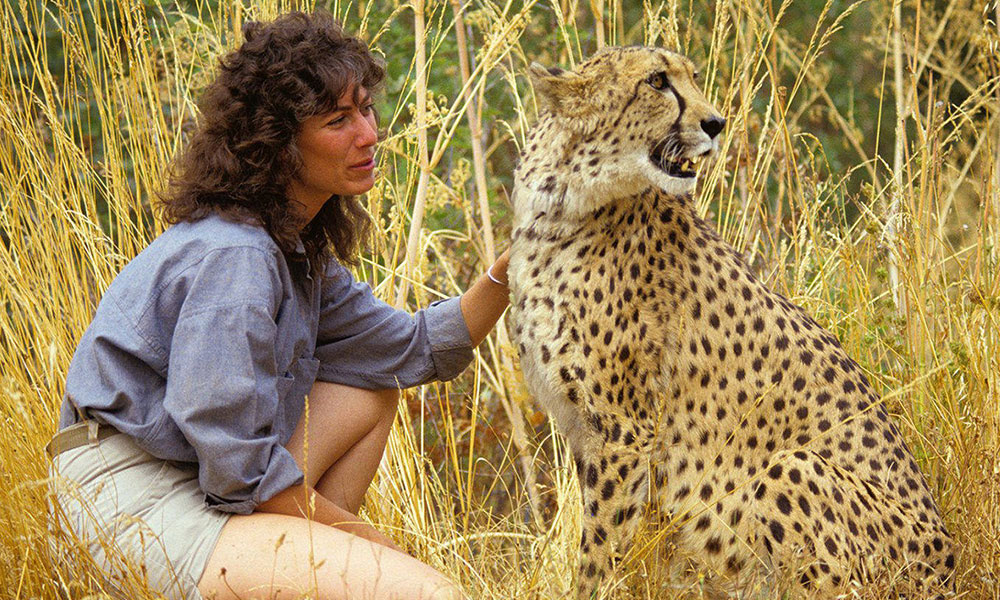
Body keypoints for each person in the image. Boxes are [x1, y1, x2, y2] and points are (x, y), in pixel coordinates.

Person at [47, 10, 509, 600]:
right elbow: (241, 472)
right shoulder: (235, 256)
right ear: (278, 144)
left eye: (365, 109)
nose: (368, 134)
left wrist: (509, 271)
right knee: (427, 593)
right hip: (129, 497)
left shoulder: (292, 253)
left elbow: (411, 348)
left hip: (199, 481)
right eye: (338, 120)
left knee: (372, 386)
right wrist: (368, 543)